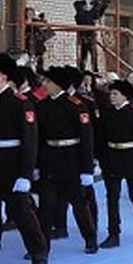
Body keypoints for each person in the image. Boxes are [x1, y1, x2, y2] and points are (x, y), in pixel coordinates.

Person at [0, 53, 49, 264]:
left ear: (4, 78)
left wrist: (25, 174)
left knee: (21, 212)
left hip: (12, 166)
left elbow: (30, 141)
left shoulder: (20, 104)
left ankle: (38, 250)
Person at [35, 66, 99, 254]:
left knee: (79, 203)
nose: (44, 85)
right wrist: (37, 164)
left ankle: (90, 237)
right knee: (45, 205)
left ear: (57, 84)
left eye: (48, 82)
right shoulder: (41, 106)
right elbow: (38, 138)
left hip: (72, 160)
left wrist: (87, 169)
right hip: (50, 160)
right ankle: (41, 245)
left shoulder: (76, 106)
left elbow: (86, 139)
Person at [97, 79, 133, 247]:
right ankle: (113, 233)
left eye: (115, 94)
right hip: (112, 158)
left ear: (125, 96)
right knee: (112, 197)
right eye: (111, 94)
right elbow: (101, 138)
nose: (112, 97)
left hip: (132, 159)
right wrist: (100, 158)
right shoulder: (106, 113)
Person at [73, 0, 109, 72]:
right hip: (86, 37)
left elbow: (96, 16)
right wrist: (96, 6)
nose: (86, 7)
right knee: (87, 56)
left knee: (92, 56)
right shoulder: (80, 15)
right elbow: (89, 17)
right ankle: (85, 70)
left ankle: (90, 69)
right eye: (85, 6)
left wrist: (102, 8)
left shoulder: (84, 14)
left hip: (89, 37)